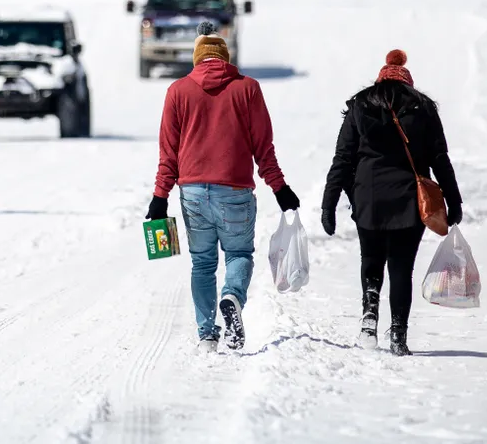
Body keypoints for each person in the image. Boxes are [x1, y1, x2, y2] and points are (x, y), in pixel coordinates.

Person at [147, 21, 299, 353]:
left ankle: (207, 336)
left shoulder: (177, 91)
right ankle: (232, 295)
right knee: (239, 254)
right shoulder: (248, 89)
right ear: (225, 59)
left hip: (194, 194)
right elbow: (264, 147)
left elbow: (168, 153)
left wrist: (160, 197)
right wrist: (279, 188)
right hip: (235, 192)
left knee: (202, 263)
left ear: (197, 58)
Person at [321, 50, 462, 356]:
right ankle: (398, 335)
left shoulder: (359, 105)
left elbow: (343, 159)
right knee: (401, 268)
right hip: (408, 200)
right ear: (408, 82)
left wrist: (328, 203)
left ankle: (369, 317)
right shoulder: (423, 108)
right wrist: (453, 200)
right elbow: (440, 159)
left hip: (368, 198)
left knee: (371, 259)